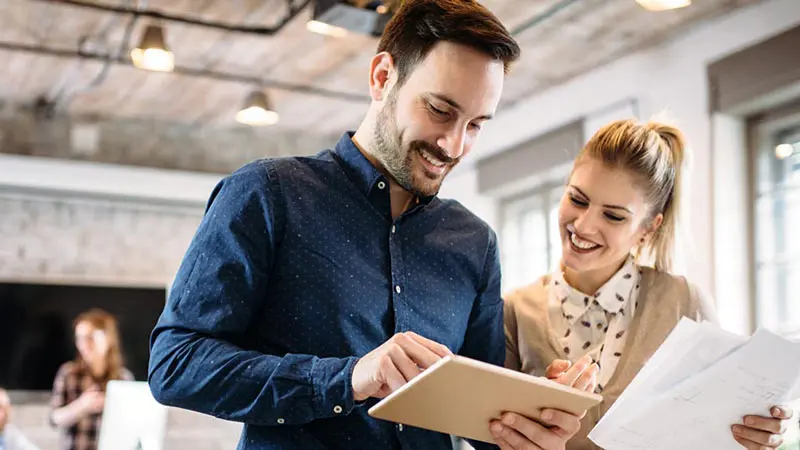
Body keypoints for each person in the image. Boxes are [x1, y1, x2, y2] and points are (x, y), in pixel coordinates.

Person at [147, 1, 587, 449]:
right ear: (382, 77)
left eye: (475, 124)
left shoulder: (475, 242)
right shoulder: (268, 194)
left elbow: (479, 417)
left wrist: (531, 419)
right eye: (439, 110)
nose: (454, 144)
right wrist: (348, 378)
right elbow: (176, 364)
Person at [502, 119, 795, 450]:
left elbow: (721, 432)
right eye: (578, 200)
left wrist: (756, 432)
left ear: (648, 228)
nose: (583, 225)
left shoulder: (685, 301)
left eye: (613, 216)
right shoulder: (514, 311)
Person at [50, 309, 134, 450]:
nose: (83, 344)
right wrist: (82, 406)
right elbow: (54, 419)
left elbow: (131, 424)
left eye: (90, 337)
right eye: (79, 338)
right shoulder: (68, 373)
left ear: (108, 339)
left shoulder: (123, 378)